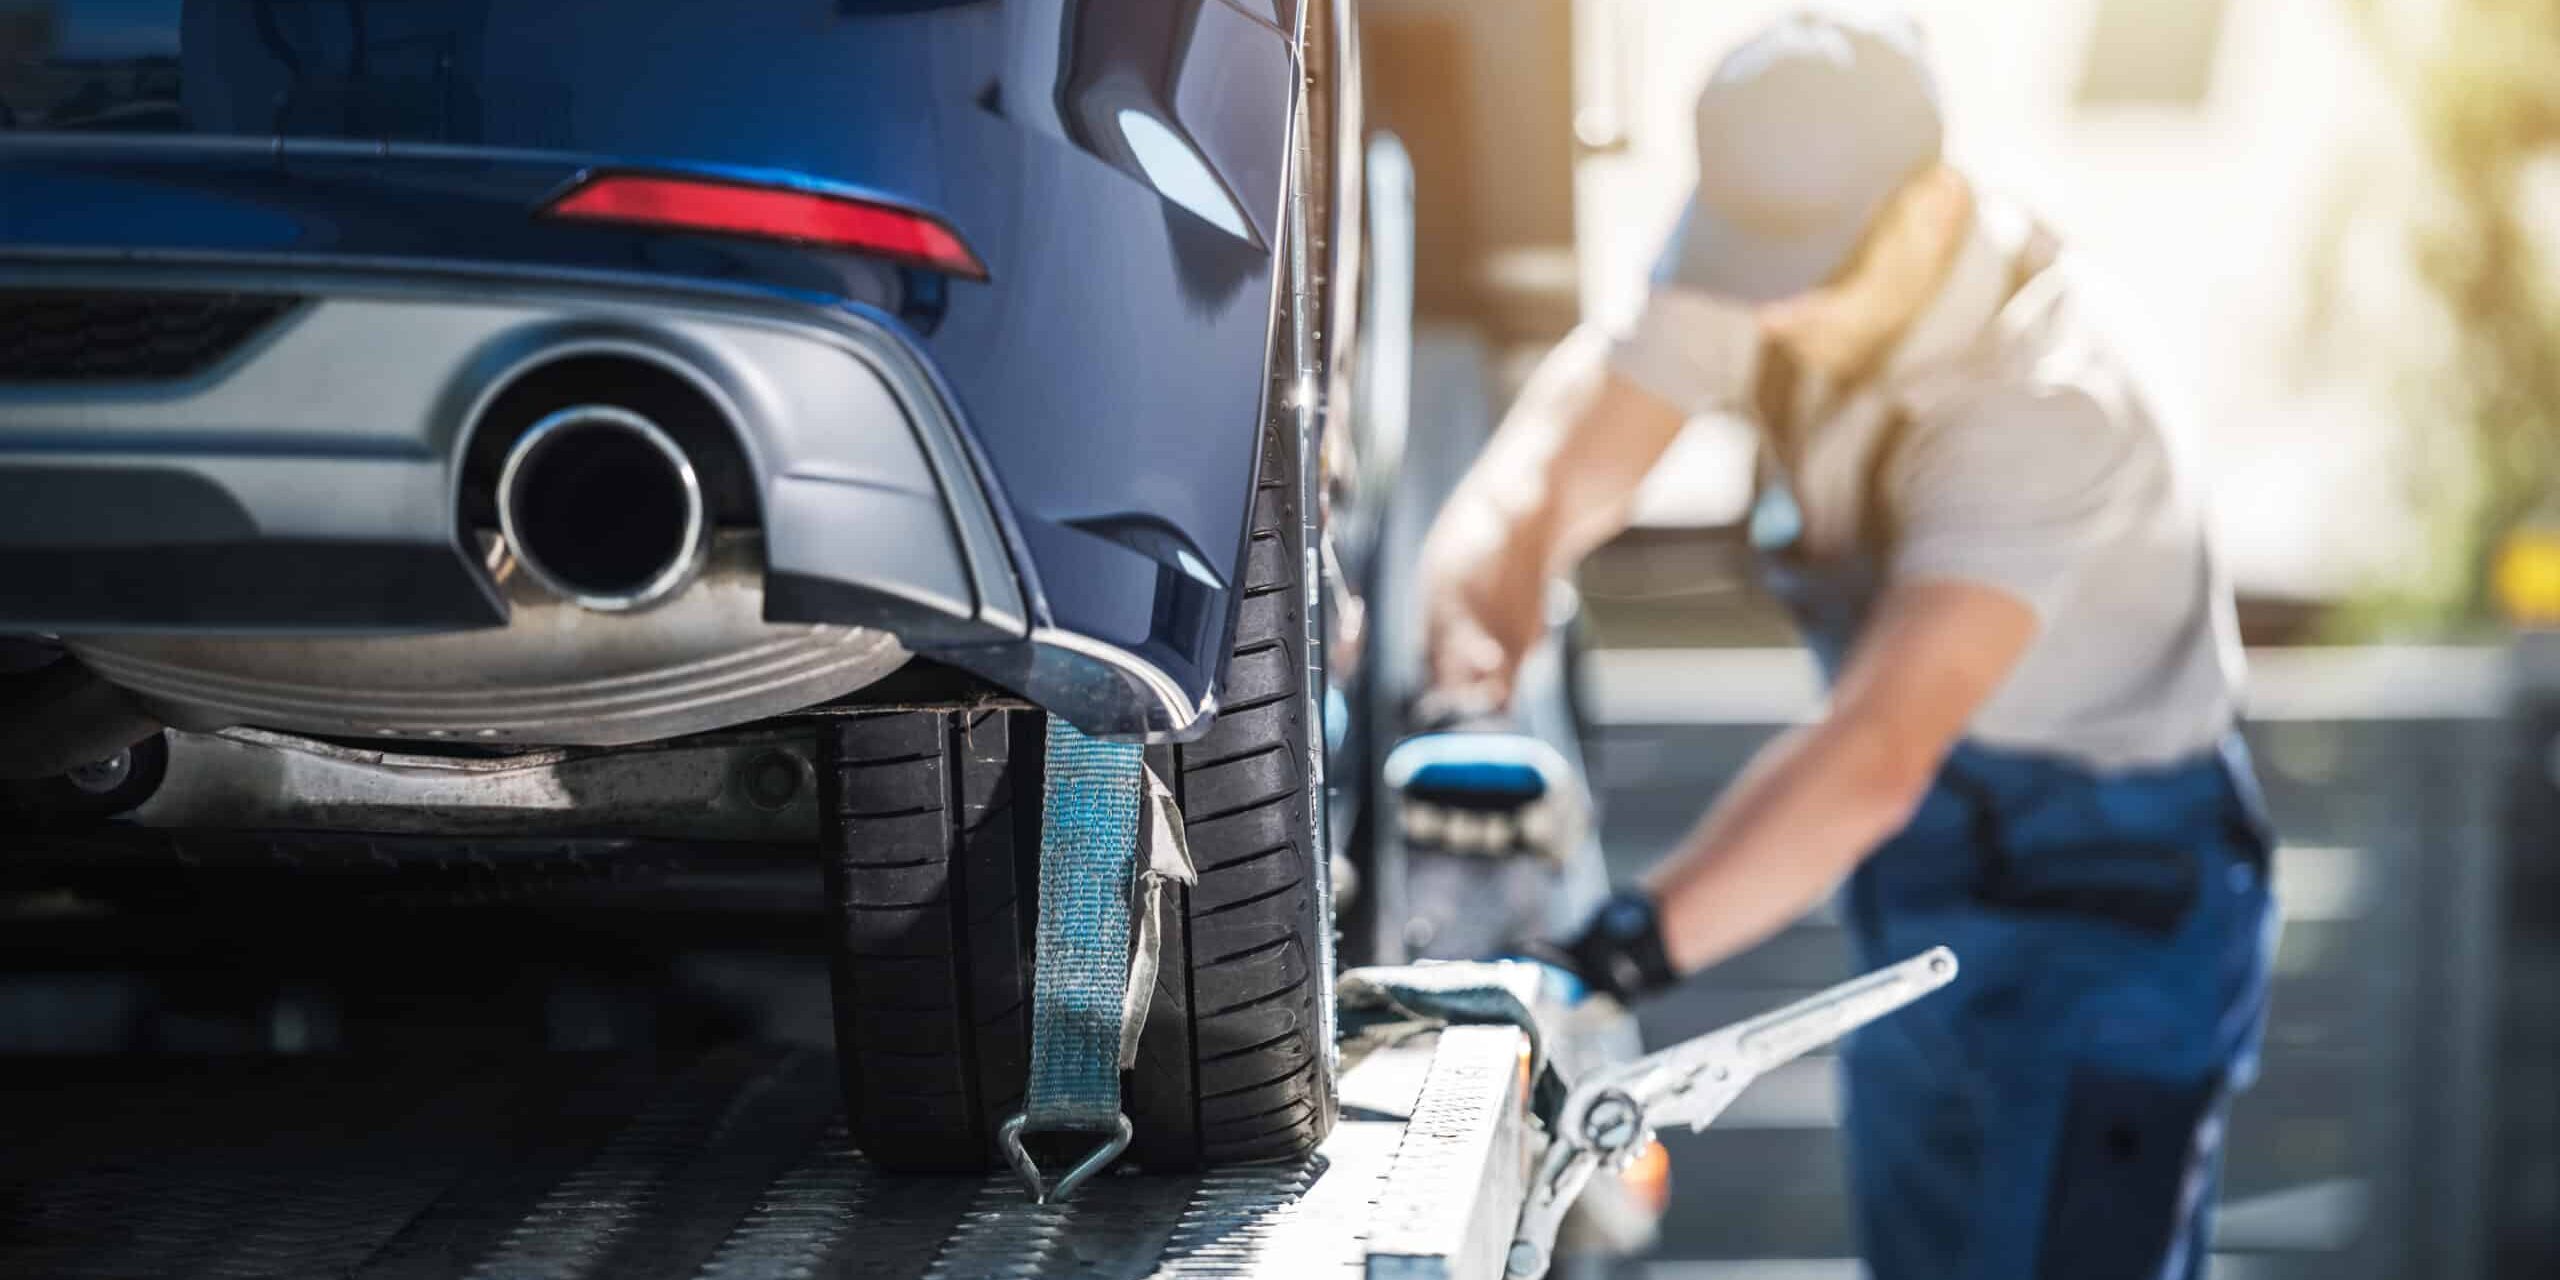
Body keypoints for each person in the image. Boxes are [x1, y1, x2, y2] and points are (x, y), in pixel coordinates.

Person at [1417, 9, 2278, 1278]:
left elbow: (1876, 750)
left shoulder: (2050, 397)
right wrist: (1469, 626)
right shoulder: (1772, 261)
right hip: (1925, 872)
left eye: (1804, 271)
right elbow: (1550, 471)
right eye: (1745, 265)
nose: (1769, 311)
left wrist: (1604, 956)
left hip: (2109, 901)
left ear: (1930, 209)